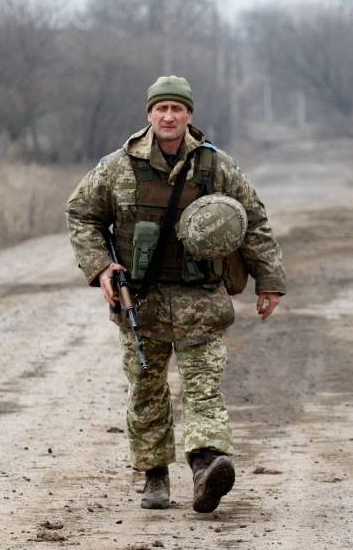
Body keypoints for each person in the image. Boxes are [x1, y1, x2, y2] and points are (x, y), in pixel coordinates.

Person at [66, 75, 286, 514]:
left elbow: (253, 220)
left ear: (189, 115)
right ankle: (154, 475)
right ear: (149, 114)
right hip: (140, 302)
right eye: (161, 108)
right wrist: (100, 267)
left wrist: (270, 279)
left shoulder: (214, 166)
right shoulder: (118, 167)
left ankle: (206, 465)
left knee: (203, 387)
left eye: (177, 109)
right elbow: (81, 214)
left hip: (201, 299)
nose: (169, 116)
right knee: (147, 387)